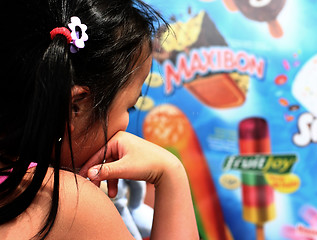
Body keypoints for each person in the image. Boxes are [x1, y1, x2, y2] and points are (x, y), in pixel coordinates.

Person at [0, 0, 199, 239]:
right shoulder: (69, 204)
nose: (127, 125)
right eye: (130, 106)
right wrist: (171, 174)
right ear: (75, 107)